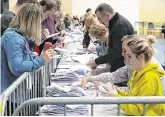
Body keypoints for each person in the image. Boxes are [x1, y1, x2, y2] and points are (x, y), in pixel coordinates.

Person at [97, 35, 165, 116]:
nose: (127, 59)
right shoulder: (138, 72)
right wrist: (116, 91)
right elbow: (133, 97)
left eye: (130, 56)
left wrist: (116, 96)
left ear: (140, 57)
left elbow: (137, 109)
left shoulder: (149, 77)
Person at [81, 33, 165, 94]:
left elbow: (139, 104)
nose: (122, 54)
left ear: (139, 56)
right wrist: (92, 80)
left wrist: (115, 93)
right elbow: (115, 77)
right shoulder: (136, 66)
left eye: (126, 52)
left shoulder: (148, 73)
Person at [1, 3, 54, 93]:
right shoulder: (14, 38)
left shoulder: (19, 36)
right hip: (8, 94)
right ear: (32, 23)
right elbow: (17, 67)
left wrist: (37, 58)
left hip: (13, 92)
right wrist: (41, 60)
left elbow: (24, 57)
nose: (40, 27)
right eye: (39, 23)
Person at [87, 3, 134, 72]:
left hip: (126, 66)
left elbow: (116, 52)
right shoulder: (114, 24)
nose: (100, 22)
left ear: (106, 15)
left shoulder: (119, 26)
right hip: (120, 67)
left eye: (100, 19)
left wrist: (96, 61)